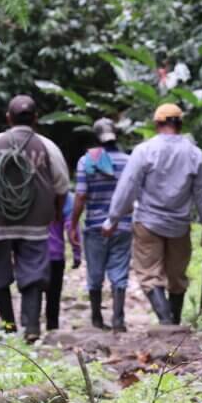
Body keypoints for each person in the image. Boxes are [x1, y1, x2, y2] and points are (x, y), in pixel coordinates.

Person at [0, 95, 71, 343]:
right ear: (36, 118)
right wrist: (55, 213)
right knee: (34, 271)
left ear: (8, 118)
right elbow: (62, 185)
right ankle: (32, 327)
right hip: (34, 222)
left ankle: (8, 327)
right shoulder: (46, 146)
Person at [104, 104, 202, 325]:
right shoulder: (194, 153)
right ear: (180, 124)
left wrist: (113, 219)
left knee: (149, 274)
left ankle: (166, 321)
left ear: (157, 124)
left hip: (148, 222)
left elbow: (128, 186)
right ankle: (173, 323)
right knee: (177, 276)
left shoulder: (145, 151)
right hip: (179, 225)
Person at [69, 119, 132, 332]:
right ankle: (118, 320)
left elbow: (81, 195)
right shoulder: (129, 161)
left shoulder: (86, 161)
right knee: (119, 273)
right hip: (123, 224)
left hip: (95, 225)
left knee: (95, 274)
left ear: (96, 138)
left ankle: (96, 319)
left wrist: (73, 224)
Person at [44, 192, 75, 332]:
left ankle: (31, 327)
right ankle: (52, 327)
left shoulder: (31, 191)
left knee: (33, 291)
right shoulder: (66, 197)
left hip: (33, 254)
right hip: (56, 255)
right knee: (54, 296)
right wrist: (77, 253)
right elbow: (71, 227)